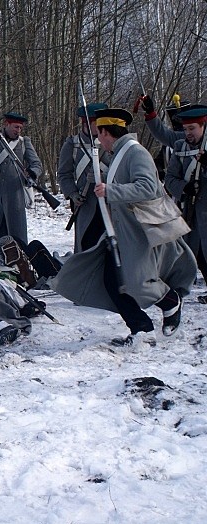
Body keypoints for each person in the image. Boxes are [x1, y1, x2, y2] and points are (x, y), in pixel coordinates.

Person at [51, 108, 197, 346]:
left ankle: (170, 301)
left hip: (139, 230)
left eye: (100, 133)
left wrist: (111, 190)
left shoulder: (136, 153)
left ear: (107, 132)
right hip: (119, 229)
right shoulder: (118, 153)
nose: (98, 139)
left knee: (139, 282)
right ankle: (140, 327)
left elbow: (148, 188)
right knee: (112, 280)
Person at [0, 111, 43, 245]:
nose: (19, 130)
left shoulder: (24, 142)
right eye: (16, 127)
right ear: (6, 124)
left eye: (20, 128)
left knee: (17, 238)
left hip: (14, 195)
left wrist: (32, 173)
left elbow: (36, 164)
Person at [163, 106, 207, 302]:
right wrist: (184, 187)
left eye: (192, 129)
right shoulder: (180, 147)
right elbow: (170, 179)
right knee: (195, 252)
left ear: (203, 126)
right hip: (190, 208)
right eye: (186, 129)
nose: (188, 133)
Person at [57, 102, 111, 252]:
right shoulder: (72, 144)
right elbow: (64, 174)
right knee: (86, 245)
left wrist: (103, 177)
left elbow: (120, 171)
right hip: (86, 204)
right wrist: (73, 194)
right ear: (86, 123)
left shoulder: (111, 142)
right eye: (97, 123)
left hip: (110, 202)